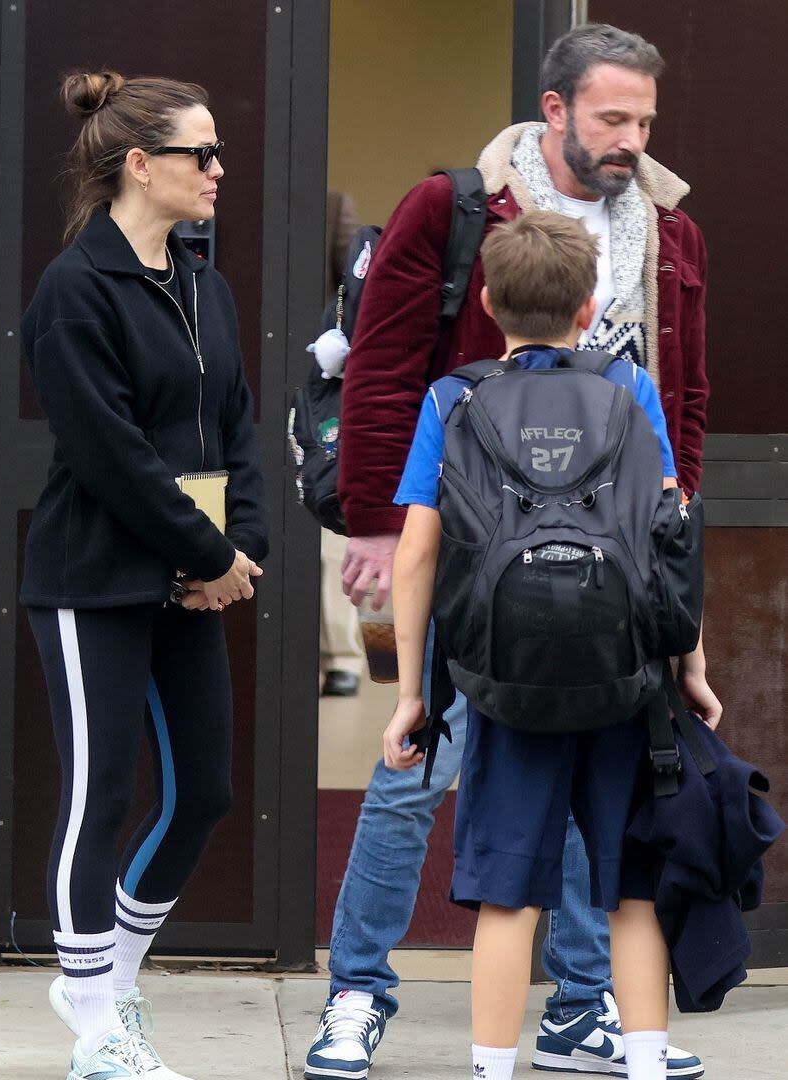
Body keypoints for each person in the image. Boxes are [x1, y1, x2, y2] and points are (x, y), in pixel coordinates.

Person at [305, 23, 720, 1080]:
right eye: (610, 118)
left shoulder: (668, 230)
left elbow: (690, 399)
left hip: (614, 566)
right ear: (554, 108)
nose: (629, 139)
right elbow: (387, 366)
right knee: (415, 775)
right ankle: (358, 990)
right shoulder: (455, 207)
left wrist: (671, 555)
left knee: (595, 798)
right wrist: (372, 518)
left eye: (643, 121)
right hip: (480, 556)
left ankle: (584, 1011)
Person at [383, 210, 715, 1080]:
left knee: (505, 895)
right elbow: (665, 535)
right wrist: (692, 666)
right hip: (625, 680)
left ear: (488, 302)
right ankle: (644, 1061)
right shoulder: (626, 386)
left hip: (504, 680)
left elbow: (417, 550)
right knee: (630, 890)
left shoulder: (453, 399)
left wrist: (416, 690)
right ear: (589, 305)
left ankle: (493, 1069)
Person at [20, 71, 268, 1080]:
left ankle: (107, 983)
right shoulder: (75, 290)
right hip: (93, 580)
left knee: (203, 792)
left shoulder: (202, 282)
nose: (217, 170)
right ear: (140, 163)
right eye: (199, 154)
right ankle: (93, 1024)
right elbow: (111, 453)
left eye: (216, 153)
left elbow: (235, 428)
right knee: (100, 793)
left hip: (187, 576)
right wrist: (206, 554)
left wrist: (237, 550)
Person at [320, 192, 365, 697]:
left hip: (324, 379)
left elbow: (355, 283)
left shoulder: (334, 205)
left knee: (330, 528)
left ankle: (342, 658)